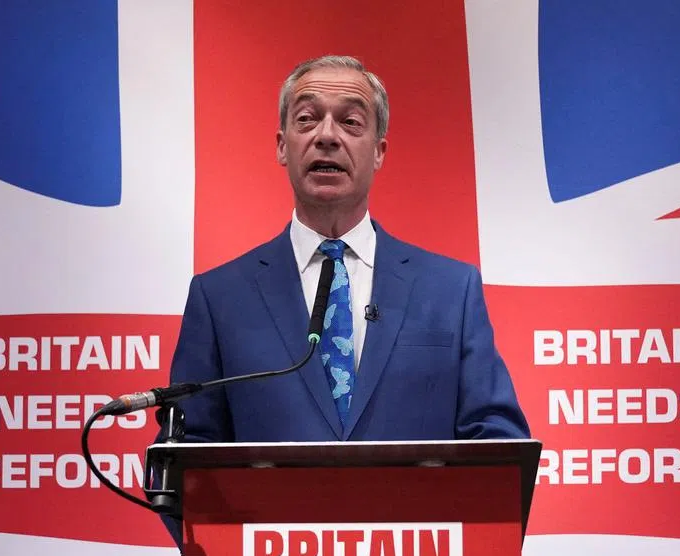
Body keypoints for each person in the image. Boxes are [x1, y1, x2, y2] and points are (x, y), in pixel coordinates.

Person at [162, 54, 529, 446]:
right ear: (282, 146)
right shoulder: (219, 298)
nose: (326, 136)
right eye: (306, 118)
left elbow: (498, 442)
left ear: (379, 152)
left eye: (351, 122)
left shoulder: (451, 290)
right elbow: (185, 460)